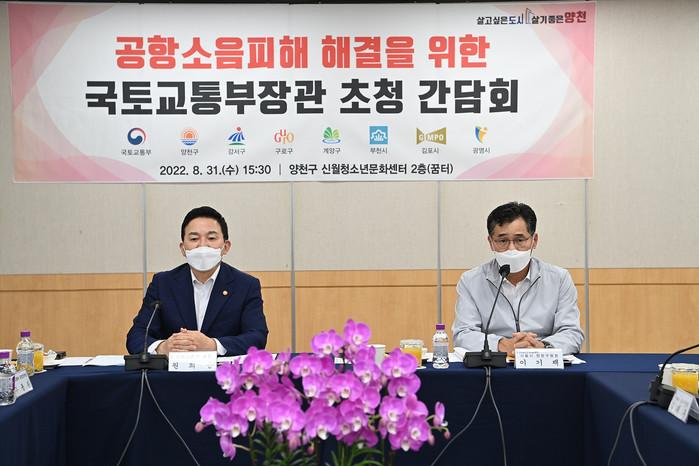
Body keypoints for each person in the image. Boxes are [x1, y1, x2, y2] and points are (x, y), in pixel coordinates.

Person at [126, 206, 268, 356]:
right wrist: (163, 347)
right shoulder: (162, 284)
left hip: (223, 370)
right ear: (183, 248)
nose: (202, 245)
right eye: (194, 239)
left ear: (226, 247)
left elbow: (257, 337)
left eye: (211, 238)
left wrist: (213, 345)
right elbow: (137, 336)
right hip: (174, 370)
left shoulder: (245, 285)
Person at [452, 202, 584, 356]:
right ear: (491, 242)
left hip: (543, 361)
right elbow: (463, 333)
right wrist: (501, 345)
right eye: (503, 241)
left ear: (534, 240)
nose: (511, 249)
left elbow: (572, 332)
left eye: (520, 240)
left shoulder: (559, 279)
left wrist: (543, 347)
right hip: (495, 361)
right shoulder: (471, 281)